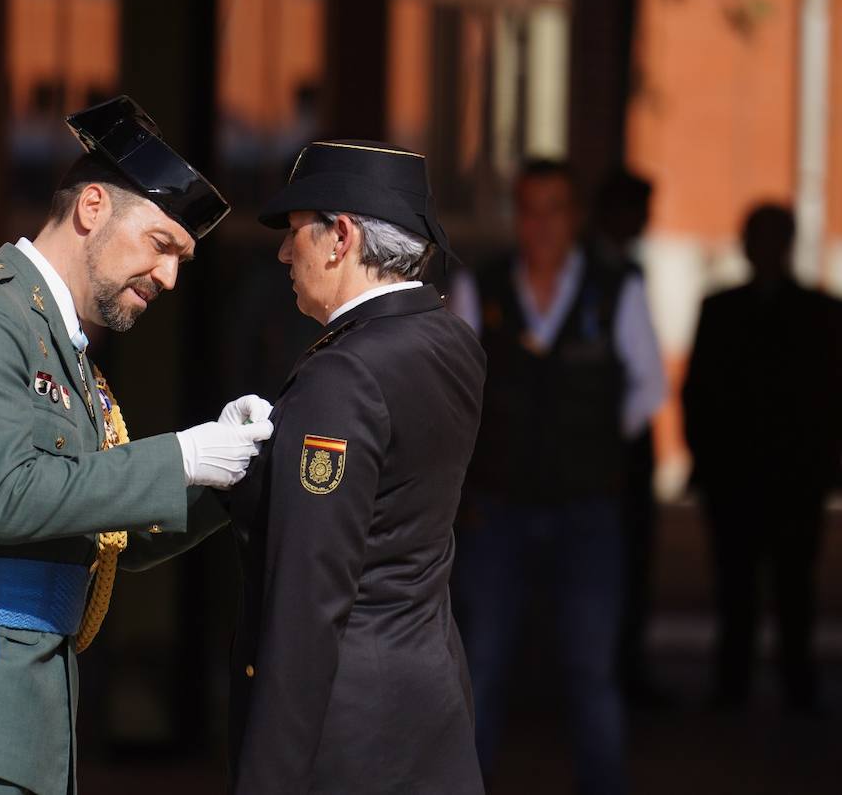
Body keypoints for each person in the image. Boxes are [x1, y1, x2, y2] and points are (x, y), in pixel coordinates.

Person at [0, 96, 274, 795]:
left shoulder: (58, 343)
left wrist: (231, 474)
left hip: (16, 705)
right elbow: (11, 497)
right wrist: (180, 456)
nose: (170, 277)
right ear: (92, 207)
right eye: (162, 245)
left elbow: (103, 529)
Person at [225, 140, 487, 794]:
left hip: (347, 734)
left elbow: (307, 600)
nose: (286, 253)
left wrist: (267, 779)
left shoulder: (342, 376)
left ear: (341, 237)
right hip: (431, 701)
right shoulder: (448, 338)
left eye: (295, 233)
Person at [448, 159, 665, 795]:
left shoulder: (615, 285)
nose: (542, 224)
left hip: (588, 507)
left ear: (574, 217)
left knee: (592, 670)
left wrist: (591, 442)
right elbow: (456, 389)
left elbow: (649, 385)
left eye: (555, 209)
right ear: (518, 215)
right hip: (497, 505)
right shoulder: (481, 286)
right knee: (480, 662)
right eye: (530, 208)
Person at [682, 203, 842, 714]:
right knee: (736, 589)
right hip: (737, 478)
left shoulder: (821, 313)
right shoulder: (723, 309)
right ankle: (736, 685)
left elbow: (830, 398)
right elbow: (699, 394)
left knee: (794, 588)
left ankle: (795, 685)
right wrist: (705, 460)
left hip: (795, 477)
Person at [590, 168, 666, 707]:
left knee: (633, 563)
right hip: (595, 446)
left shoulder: (627, 271)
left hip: (623, 447)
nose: (644, 221)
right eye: (637, 210)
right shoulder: (594, 273)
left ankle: (624, 668)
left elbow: (650, 383)